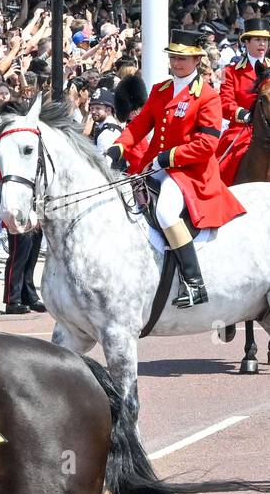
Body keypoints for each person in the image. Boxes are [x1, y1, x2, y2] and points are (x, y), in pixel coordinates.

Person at [106, 29, 247, 309]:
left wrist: (168, 157)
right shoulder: (160, 90)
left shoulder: (207, 95)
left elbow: (207, 144)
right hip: (154, 165)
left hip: (189, 172)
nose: (177, 63)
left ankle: (194, 283)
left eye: (183, 58)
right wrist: (118, 147)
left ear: (196, 60)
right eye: (173, 57)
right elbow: (139, 125)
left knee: (165, 211)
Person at [216, 18, 269, 184]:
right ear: (246, 42)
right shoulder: (230, 71)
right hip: (243, 129)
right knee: (222, 165)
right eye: (257, 40)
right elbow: (224, 102)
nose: (262, 44)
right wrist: (242, 114)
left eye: (265, 40)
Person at [86, 87, 122, 154]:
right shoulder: (103, 128)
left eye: (98, 108)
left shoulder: (107, 134)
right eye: (92, 108)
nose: (93, 111)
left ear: (108, 110)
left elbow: (103, 162)